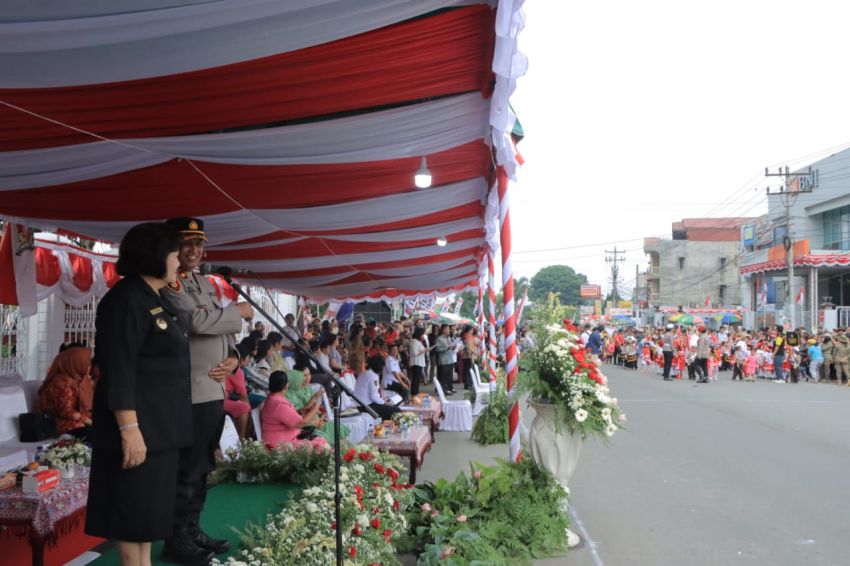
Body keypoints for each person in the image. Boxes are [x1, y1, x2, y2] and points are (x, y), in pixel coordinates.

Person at [85, 222, 195, 566]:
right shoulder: (127, 300)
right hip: (138, 432)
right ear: (155, 256)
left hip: (160, 431)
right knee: (132, 525)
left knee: (146, 523)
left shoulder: (153, 298)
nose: (180, 261)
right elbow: (120, 369)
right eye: (176, 254)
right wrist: (129, 431)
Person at [159, 217, 253, 563]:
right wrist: (238, 312)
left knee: (202, 467)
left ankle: (192, 528)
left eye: (199, 245)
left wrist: (235, 358)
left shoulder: (205, 284)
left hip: (214, 389)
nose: (194, 251)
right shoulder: (171, 283)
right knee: (187, 469)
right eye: (187, 244)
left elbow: (222, 334)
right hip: (190, 391)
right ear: (173, 247)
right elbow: (196, 322)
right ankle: (176, 537)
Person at [261, 371, 329, 450]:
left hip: (283, 440)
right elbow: (302, 423)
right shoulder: (279, 404)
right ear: (286, 386)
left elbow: (289, 417)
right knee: (322, 446)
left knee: (320, 440)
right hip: (281, 445)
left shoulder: (273, 398)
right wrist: (316, 406)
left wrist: (302, 410)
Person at [37, 346, 94, 439]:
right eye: (87, 363)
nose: (89, 366)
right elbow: (66, 411)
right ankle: (67, 438)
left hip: (76, 422)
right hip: (60, 423)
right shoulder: (61, 382)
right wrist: (88, 420)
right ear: (76, 362)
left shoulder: (78, 380)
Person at [354, 355, 401, 420]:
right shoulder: (373, 376)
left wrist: (383, 400)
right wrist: (384, 403)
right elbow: (374, 396)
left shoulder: (364, 373)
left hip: (360, 405)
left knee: (390, 407)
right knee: (396, 410)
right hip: (367, 407)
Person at [409, 326, 432, 396]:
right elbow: (415, 353)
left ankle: (416, 393)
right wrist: (425, 350)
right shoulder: (414, 341)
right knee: (415, 380)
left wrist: (426, 349)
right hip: (416, 363)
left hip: (419, 362)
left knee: (417, 379)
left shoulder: (418, 341)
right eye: (422, 334)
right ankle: (414, 394)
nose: (423, 335)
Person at [434, 324, 456, 395]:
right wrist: (447, 348)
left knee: (449, 375)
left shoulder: (448, 338)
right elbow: (437, 349)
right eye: (447, 329)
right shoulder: (439, 338)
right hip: (443, 360)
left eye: (449, 329)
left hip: (450, 359)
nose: (449, 330)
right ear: (443, 330)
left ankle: (449, 388)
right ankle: (443, 389)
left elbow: (450, 347)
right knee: (443, 376)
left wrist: (453, 347)